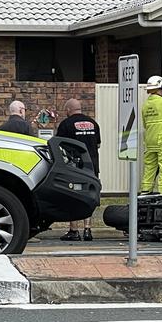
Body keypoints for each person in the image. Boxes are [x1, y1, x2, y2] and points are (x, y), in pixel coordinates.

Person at [56, 98, 101, 241]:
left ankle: (74, 230)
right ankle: (88, 230)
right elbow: (98, 144)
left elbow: (59, 146)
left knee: (73, 195)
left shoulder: (66, 124)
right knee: (90, 196)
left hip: (74, 167)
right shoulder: (93, 123)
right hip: (92, 166)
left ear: (69, 110)